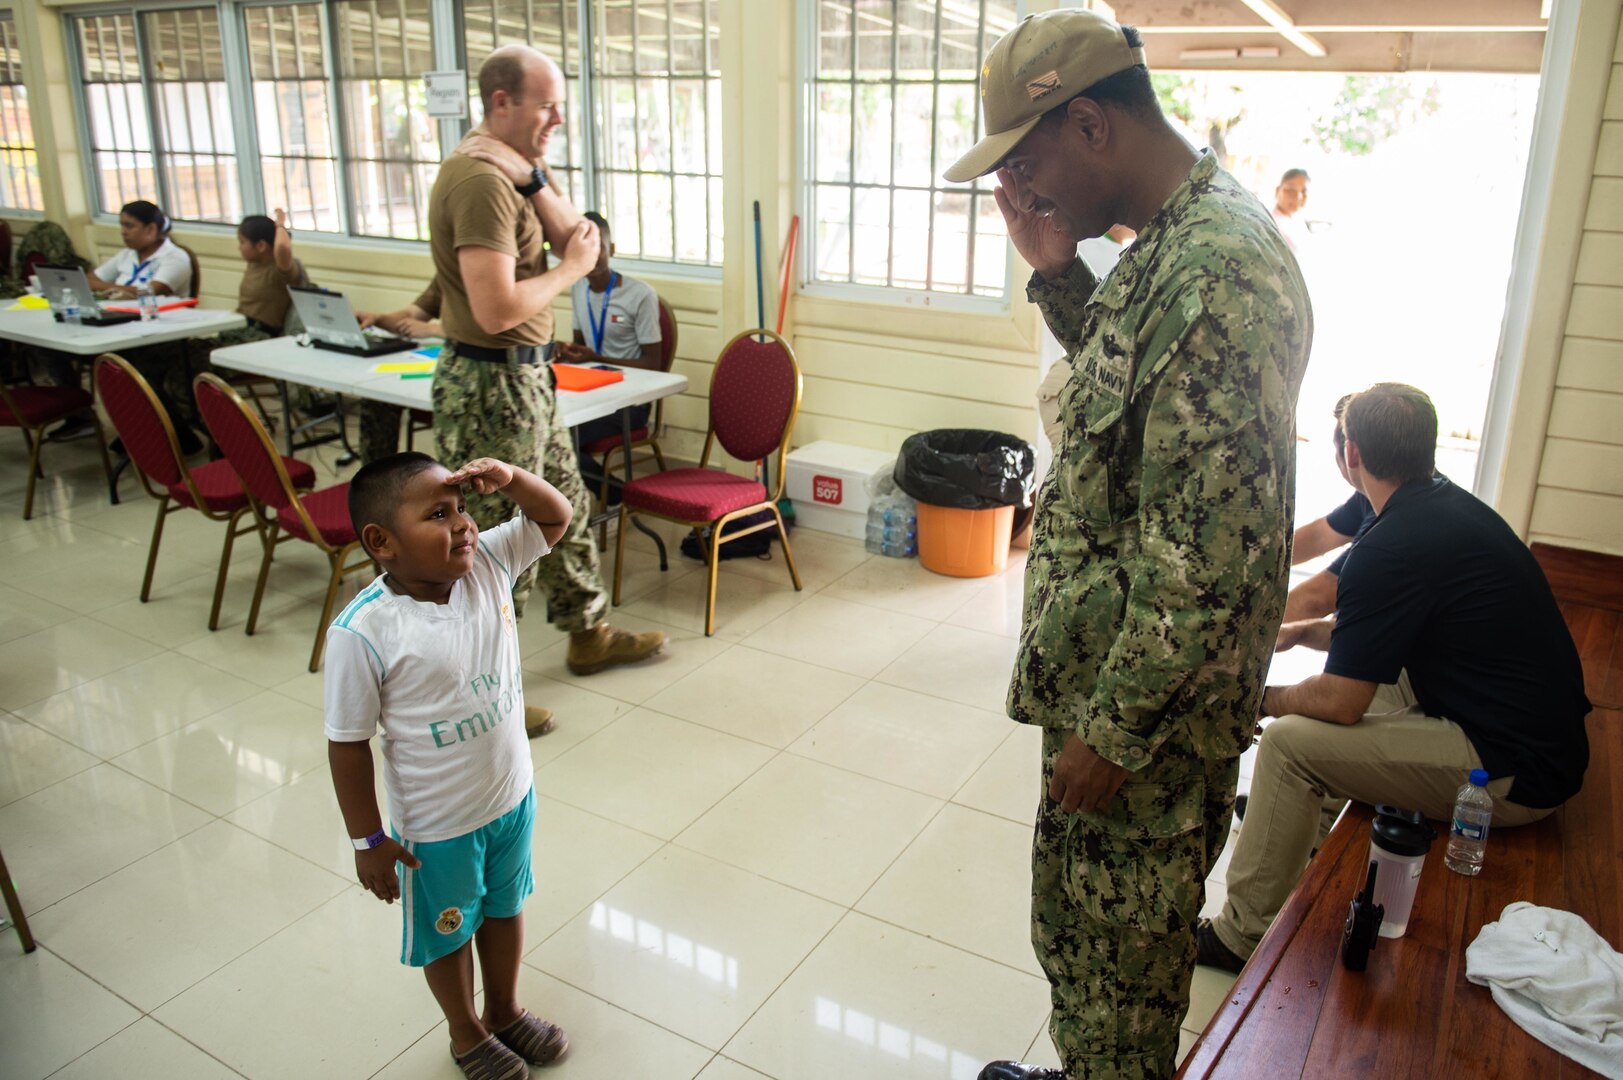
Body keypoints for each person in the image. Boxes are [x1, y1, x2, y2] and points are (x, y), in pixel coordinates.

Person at [942, 10, 1312, 1079]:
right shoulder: (1175, 245)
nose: (1026, 188)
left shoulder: (1218, 273)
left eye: (1030, 160)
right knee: (1085, 949)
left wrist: (1113, 728)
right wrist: (1058, 271)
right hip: (1115, 693)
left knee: (1119, 981)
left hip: (1142, 725)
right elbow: (1131, 394)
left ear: (1092, 125)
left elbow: (1207, 559)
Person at [1198, 383, 1591, 974]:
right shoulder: (1436, 504)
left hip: (1513, 771)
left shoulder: (1392, 548)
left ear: (1351, 454)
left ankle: (1240, 935)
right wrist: (1305, 633)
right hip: (1519, 724)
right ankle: (1296, 819)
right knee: (1351, 686)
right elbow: (1379, 642)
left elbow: (1340, 701)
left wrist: (1258, 700)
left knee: (1287, 742)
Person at [325, 451, 574, 1080]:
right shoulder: (364, 632)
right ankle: (466, 1033)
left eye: (462, 507)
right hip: (436, 828)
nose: (463, 524)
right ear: (382, 543)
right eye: (439, 513)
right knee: (449, 930)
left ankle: (507, 1011)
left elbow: (555, 517)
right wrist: (368, 839)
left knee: (506, 907)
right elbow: (347, 744)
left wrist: (512, 479)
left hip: (511, 797)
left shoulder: (487, 565)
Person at [427, 43, 664, 677]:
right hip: (492, 382)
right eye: (547, 107)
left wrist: (531, 174)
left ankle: (589, 632)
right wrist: (569, 274)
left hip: (526, 377)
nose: (557, 120)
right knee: (504, 536)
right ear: (502, 103)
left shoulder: (513, 170)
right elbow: (497, 310)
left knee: (564, 503)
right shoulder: (480, 182)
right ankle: (484, 685)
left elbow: (574, 236)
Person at [161, 210, 308, 443]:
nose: (239, 248)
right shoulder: (254, 264)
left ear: (261, 245)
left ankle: (223, 435)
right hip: (237, 332)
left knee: (187, 374)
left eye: (242, 242)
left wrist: (280, 224)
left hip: (257, 339)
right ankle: (185, 431)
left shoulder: (281, 271)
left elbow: (283, 249)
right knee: (175, 360)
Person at [557, 210, 663, 501]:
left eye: (599, 247)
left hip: (629, 401)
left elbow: (654, 364)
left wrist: (596, 356)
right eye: (584, 248)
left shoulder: (640, 295)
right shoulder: (578, 288)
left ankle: (616, 495)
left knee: (562, 441)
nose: (592, 256)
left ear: (611, 249)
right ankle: (587, 499)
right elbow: (581, 349)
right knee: (549, 432)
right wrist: (568, 351)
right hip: (591, 392)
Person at [1281, 393, 1374, 625]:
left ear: (1350, 453)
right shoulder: (1375, 493)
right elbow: (1319, 536)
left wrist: (1241, 628)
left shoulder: (1390, 518)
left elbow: (1319, 598)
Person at [356, 278, 445, 466]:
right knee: (378, 396)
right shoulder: (450, 268)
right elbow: (413, 314)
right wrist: (378, 319)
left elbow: (496, 329)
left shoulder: (494, 265)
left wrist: (434, 329)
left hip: (475, 370)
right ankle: (377, 478)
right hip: (438, 365)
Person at [85, 199, 192, 299]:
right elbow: (89, 280)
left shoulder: (175, 257)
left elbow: (150, 292)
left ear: (151, 229)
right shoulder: (127, 254)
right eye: (122, 226)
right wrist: (115, 290)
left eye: (129, 226)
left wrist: (109, 289)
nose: (123, 232)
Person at [1270, 168, 1310, 252]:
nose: (1298, 196)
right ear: (1278, 190)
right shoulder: (1269, 222)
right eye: (1291, 190)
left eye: (1303, 192)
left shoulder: (1299, 224)